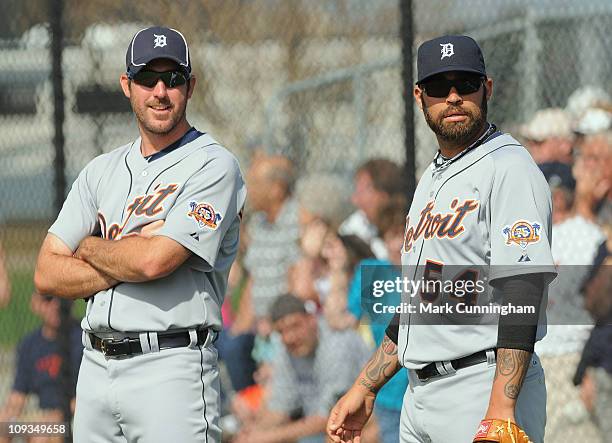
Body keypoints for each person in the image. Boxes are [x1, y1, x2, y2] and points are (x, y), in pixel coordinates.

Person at [327, 35, 557, 443]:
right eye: (438, 87)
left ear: (487, 88)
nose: (452, 97)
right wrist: (366, 385)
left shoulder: (509, 167)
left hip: (479, 386)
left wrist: (501, 409)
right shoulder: (432, 178)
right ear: (420, 96)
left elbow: (524, 287)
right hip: (419, 396)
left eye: (465, 84)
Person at [33, 26, 246, 443]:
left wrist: (88, 246)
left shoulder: (213, 166)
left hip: (170, 368)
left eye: (174, 79)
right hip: (94, 367)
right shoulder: (101, 170)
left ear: (191, 86)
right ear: (127, 85)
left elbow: (155, 261)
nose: (160, 91)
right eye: (147, 79)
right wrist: (129, 250)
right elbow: (46, 272)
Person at [234, 294, 371, 443]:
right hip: (317, 426)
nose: (289, 337)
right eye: (281, 331)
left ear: (311, 319)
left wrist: (267, 437)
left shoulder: (337, 344)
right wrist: (253, 432)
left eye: (295, 326)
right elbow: (280, 407)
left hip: (361, 424)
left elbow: (333, 416)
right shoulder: (286, 349)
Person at [0, 293, 82, 443]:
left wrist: (58, 415)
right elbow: (17, 397)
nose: (56, 305)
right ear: (35, 304)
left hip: (72, 419)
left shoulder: (83, 339)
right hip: (41, 419)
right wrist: (7, 417)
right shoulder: (29, 344)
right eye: (48, 299)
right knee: (3, 427)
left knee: (42, 436)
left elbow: (86, 397)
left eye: (62, 299)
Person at [339, 159, 406, 260]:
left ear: (383, 195)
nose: (355, 200)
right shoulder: (356, 226)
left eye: (362, 191)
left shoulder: (413, 225)